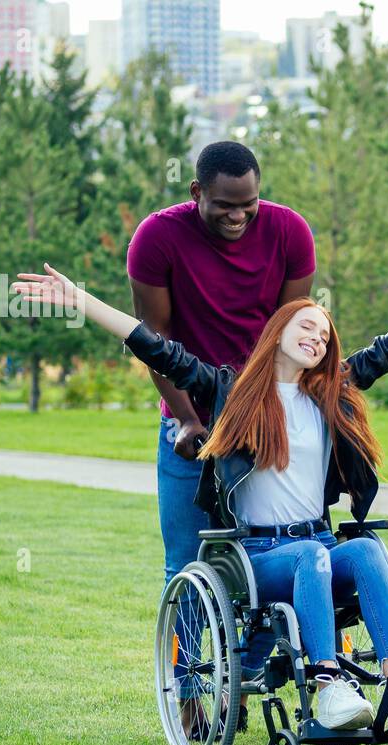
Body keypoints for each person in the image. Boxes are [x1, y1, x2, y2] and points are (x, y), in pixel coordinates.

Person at [13, 261, 388, 733]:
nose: (317, 338)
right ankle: (329, 687)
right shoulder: (229, 391)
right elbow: (154, 347)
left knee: (365, 550)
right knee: (312, 554)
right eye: (307, 327)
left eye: (325, 336)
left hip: (316, 545)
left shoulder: (331, 391)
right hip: (256, 557)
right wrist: (79, 300)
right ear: (280, 329)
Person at [127, 141, 317, 598]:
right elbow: (155, 343)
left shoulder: (290, 232)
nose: (237, 216)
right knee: (185, 566)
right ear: (197, 192)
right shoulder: (157, 238)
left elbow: (289, 334)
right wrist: (188, 418)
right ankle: (186, 673)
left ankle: (252, 667)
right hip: (191, 416)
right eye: (224, 206)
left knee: (275, 554)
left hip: (262, 418)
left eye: (248, 205)